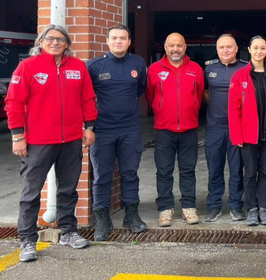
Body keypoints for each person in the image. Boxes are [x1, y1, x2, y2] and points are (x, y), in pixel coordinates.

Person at [6, 24, 97, 262]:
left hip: (70, 140)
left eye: (60, 39)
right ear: (41, 42)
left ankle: (69, 232)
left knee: (68, 190)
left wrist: (89, 127)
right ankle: (27, 240)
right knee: (30, 193)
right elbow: (13, 102)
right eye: (50, 39)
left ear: (67, 43)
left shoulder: (78, 67)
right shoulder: (27, 66)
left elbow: (87, 98)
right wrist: (17, 136)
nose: (55, 42)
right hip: (37, 142)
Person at [86, 24, 148, 241]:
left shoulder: (138, 63)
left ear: (129, 42)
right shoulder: (94, 66)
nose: (119, 41)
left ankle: (132, 216)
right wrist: (88, 126)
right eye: (114, 38)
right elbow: (85, 97)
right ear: (108, 41)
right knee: (102, 176)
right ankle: (103, 221)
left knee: (130, 173)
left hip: (130, 128)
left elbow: (140, 88)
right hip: (102, 129)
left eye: (123, 38)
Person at [146, 32, 204, 227]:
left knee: (188, 171)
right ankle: (165, 209)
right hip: (164, 130)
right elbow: (150, 95)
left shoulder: (195, 69)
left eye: (179, 46)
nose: (175, 49)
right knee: (164, 171)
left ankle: (188, 207)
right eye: (172, 46)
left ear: (185, 47)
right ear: (165, 47)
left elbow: (199, 93)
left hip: (189, 129)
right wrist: (162, 109)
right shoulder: (154, 69)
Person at [229, 36, 266, 226]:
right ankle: (252, 209)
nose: (259, 51)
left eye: (262, 48)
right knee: (250, 172)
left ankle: (264, 208)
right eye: (256, 48)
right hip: (248, 135)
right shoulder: (240, 76)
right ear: (249, 49)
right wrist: (236, 135)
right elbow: (234, 108)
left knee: (265, 172)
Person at [203, 34, 247, 222]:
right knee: (214, 168)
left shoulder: (246, 67)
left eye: (229, 47)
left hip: (238, 127)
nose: (225, 50)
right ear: (217, 50)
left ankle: (236, 205)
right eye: (222, 47)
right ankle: (214, 205)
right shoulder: (209, 69)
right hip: (215, 127)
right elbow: (204, 93)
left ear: (236, 48)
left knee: (237, 168)